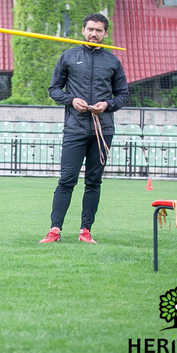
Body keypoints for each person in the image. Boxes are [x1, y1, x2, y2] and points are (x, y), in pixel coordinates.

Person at [40, 13, 129, 244]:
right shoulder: (68, 56)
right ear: (83, 30)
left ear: (105, 34)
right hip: (74, 129)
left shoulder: (112, 61)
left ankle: (85, 231)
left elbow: (122, 95)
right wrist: (71, 100)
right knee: (66, 180)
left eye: (99, 30)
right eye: (90, 29)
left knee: (93, 181)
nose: (94, 34)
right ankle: (54, 230)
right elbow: (54, 90)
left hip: (102, 131)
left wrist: (107, 104)